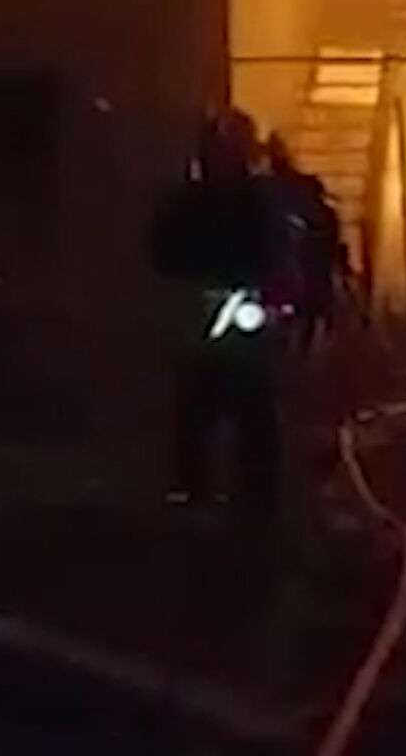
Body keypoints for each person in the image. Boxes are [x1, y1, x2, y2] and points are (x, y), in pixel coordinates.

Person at [148, 108, 294, 525]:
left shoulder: (260, 202)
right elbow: (161, 251)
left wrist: (277, 302)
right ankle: (192, 492)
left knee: (253, 411)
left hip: (245, 314)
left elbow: (279, 254)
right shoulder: (186, 203)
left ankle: (257, 500)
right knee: (196, 408)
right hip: (200, 314)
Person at [264, 133, 343, 356]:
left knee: (305, 311)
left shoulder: (289, 191)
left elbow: (326, 242)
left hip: (302, 265)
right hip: (283, 265)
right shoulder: (267, 190)